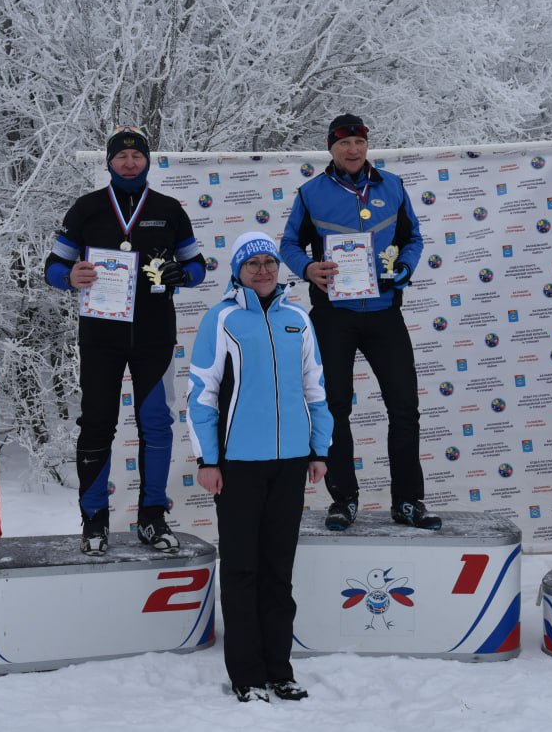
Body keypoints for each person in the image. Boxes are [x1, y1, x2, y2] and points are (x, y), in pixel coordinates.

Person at [45, 126, 206, 555]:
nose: (130, 162)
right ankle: (93, 520)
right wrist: (69, 276)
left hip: (153, 336)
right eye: (122, 156)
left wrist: (182, 274)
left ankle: (152, 516)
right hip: (101, 336)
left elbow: (198, 267)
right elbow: (53, 267)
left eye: (137, 156)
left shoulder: (169, 209)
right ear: (110, 163)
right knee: (97, 423)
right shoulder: (87, 209)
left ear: (147, 161)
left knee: (156, 422)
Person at [188, 232, 331, 703]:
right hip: (238, 466)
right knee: (242, 570)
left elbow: (315, 389)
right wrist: (208, 460)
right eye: (253, 265)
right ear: (238, 272)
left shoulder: (298, 320)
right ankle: (246, 673)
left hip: (290, 463)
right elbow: (202, 396)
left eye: (270, 262)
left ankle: (280, 669)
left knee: (277, 571)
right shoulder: (223, 319)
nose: (264, 271)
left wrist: (319, 450)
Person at [280, 113, 439, 531]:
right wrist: (307, 268)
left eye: (360, 142)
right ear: (330, 149)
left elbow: (413, 238)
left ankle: (407, 500)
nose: (353, 150)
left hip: (385, 310)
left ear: (367, 147)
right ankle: (343, 500)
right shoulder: (311, 192)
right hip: (334, 316)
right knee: (333, 409)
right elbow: (289, 243)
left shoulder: (392, 186)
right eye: (344, 143)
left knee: (404, 408)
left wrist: (405, 266)